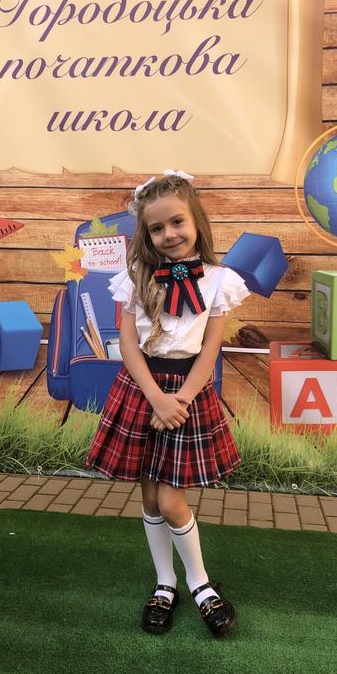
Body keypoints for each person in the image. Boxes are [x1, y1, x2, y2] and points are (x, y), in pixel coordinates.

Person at [86, 169, 250, 638]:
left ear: (196, 220)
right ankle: (165, 583)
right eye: (157, 228)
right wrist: (155, 398)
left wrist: (179, 400)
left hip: (186, 396)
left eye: (177, 222)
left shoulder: (219, 281)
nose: (169, 234)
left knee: (171, 497)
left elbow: (210, 351)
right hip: (142, 392)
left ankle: (199, 582)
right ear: (146, 233)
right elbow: (128, 343)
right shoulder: (136, 277)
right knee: (148, 495)